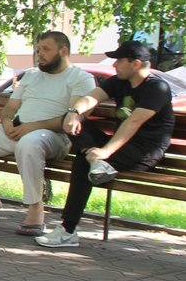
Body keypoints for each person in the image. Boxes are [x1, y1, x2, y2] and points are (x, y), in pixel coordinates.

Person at [36, 41, 175, 248]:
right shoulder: (119, 82)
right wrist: (74, 113)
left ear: (135, 63)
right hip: (117, 146)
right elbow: (90, 98)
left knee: (83, 162)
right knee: (73, 120)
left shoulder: (157, 88)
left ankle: (67, 230)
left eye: (119, 60)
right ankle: (97, 166)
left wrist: (104, 151)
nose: (114, 65)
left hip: (143, 152)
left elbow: (133, 122)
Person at [0, 30, 95, 235]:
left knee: (29, 142)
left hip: (54, 138)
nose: (41, 54)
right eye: (38, 49)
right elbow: (9, 110)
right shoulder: (31, 75)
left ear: (63, 51)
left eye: (46, 49)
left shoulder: (80, 78)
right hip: (20, 133)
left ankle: (36, 208)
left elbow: (69, 120)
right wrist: (6, 123)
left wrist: (33, 127)